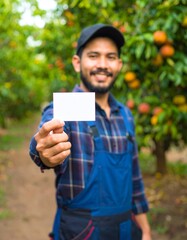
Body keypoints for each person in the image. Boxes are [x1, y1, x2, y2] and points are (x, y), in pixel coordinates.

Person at [29, 23, 152, 240]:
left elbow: (135, 179)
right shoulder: (71, 106)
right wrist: (43, 152)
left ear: (119, 64)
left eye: (111, 57)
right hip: (81, 232)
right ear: (77, 63)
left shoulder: (124, 114)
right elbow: (50, 130)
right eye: (94, 56)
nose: (103, 65)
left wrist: (146, 230)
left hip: (125, 229)